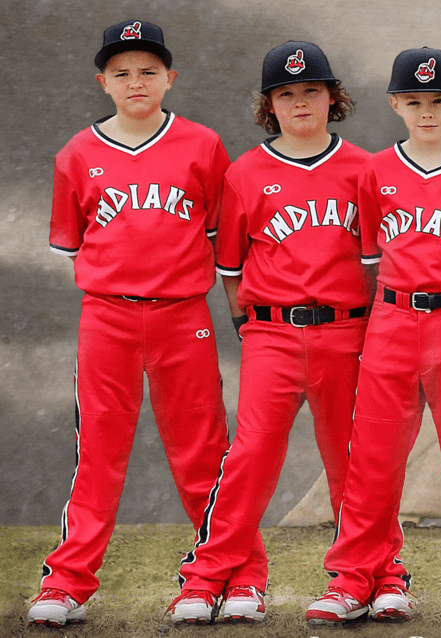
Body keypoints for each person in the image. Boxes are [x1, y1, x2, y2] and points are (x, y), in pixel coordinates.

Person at [29, 19, 231, 628]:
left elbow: (222, 241)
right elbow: (74, 247)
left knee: (204, 453)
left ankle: (227, 576)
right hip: (108, 318)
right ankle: (66, 583)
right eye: (122, 73)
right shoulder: (78, 153)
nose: (136, 82)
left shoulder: (203, 145)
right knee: (98, 453)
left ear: (170, 77)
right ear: (103, 83)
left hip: (183, 316)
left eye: (148, 71)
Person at [305, 47, 441, 625]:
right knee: (372, 460)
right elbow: (372, 255)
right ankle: (361, 579)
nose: (428, 112)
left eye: (439, 101)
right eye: (415, 101)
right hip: (392, 322)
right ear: (396, 103)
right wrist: (408, 302)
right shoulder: (376, 171)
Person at [165, 41, 370, 625]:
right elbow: (230, 270)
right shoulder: (245, 173)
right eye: (287, 93)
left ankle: (371, 575)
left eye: (312, 90)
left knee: (353, 461)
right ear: (268, 105)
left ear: (334, 98)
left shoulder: (365, 169)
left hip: (347, 332)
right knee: (250, 456)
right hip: (272, 334)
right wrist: (254, 330)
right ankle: (212, 578)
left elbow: (381, 265)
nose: (300, 102)